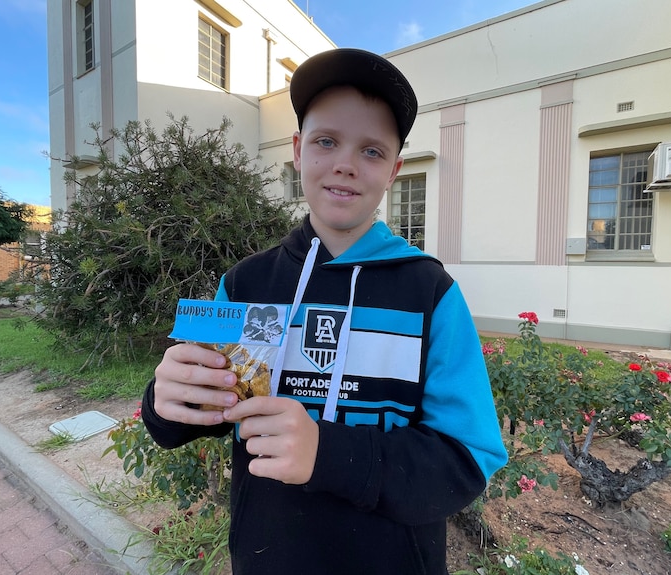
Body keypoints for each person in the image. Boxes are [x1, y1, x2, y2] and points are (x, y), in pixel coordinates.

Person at [141, 47, 508, 575]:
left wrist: (328, 453)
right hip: (267, 558)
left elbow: (467, 459)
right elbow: (199, 413)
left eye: (372, 151)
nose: (344, 163)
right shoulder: (246, 283)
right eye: (326, 141)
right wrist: (167, 399)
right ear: (297, 150)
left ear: (395, 170)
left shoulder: (430, 292)